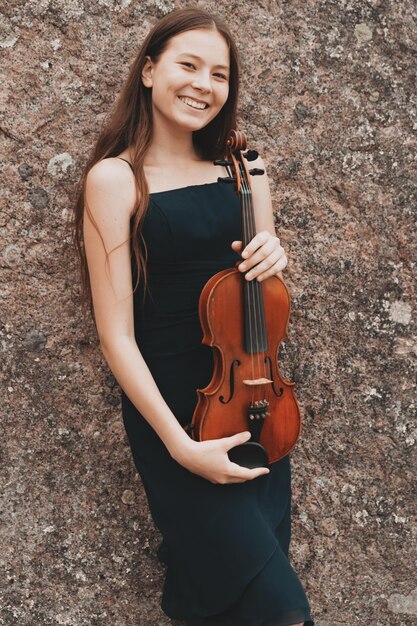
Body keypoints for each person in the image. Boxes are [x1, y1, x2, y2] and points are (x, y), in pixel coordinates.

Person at [73, 7, 314, 626]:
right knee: (282, 610)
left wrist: (274, 254)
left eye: (220, 74)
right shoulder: (115, 179)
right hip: (177, 422)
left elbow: (263, 299)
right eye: (188, 65)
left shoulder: (246, 170)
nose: (204, 84)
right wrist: (181, 449)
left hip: (255, 411)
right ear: (149, 71)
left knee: (227, 606)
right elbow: (116, 336)